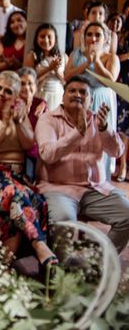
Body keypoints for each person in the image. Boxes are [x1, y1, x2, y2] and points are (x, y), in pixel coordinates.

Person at [0, 71, 57, 267]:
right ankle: (39, 244)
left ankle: (3, 265)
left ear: (15, 97)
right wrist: (5, 123)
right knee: (12, 193)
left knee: (23, 198)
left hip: (17, 177)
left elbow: (27, 144)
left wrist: (16, 121)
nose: (1, 93)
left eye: (8, 91)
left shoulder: (20, 116)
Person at [36, 76, 129, 254]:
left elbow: (117, 151)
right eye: (72, 91)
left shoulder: (97, 121)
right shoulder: (48, 119)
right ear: (63, 96)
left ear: (91, 100)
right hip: (58, 188)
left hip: (95, 188)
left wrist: (104, 129)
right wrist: (78, 132)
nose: (77, 95)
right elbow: (48, 154)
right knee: (64, 222)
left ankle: (99, 263)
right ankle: (64, 273)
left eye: (83, 92)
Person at [65, 21, 120, 178]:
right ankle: (76, 175)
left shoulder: (111, 57)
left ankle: (100, 177)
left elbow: (110, 81)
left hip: (102, 98)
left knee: (101, 138)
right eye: (89, 34)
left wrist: (96, 61)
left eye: (98, 35)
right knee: (79, 137)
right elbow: (67, 76)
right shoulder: (76, 54)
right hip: (80, 99)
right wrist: (87, 62)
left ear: (105, 38)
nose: (93, 38)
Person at [23, 23, 65, 111]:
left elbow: (66, 81)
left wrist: (57, 72)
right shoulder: (32, 55)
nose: (46, 40)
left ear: (55, 38)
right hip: (40, 94)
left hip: (57, 94)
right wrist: (49, 68)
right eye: (42, 36)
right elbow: (27, 78)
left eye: (49, 37)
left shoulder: (63, 56)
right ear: (37, 38)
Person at [115, 17, 129, 182]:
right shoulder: (123, 37)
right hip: (125, 82)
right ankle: (122, 166)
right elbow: (117, 58)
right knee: (124, 128)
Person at [0, 10, 26, 75]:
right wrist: (7, 64)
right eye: (12, 22)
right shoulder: (4, 42)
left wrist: (19, 64)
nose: (16, 24)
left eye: (19, 20)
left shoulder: (31, 42)